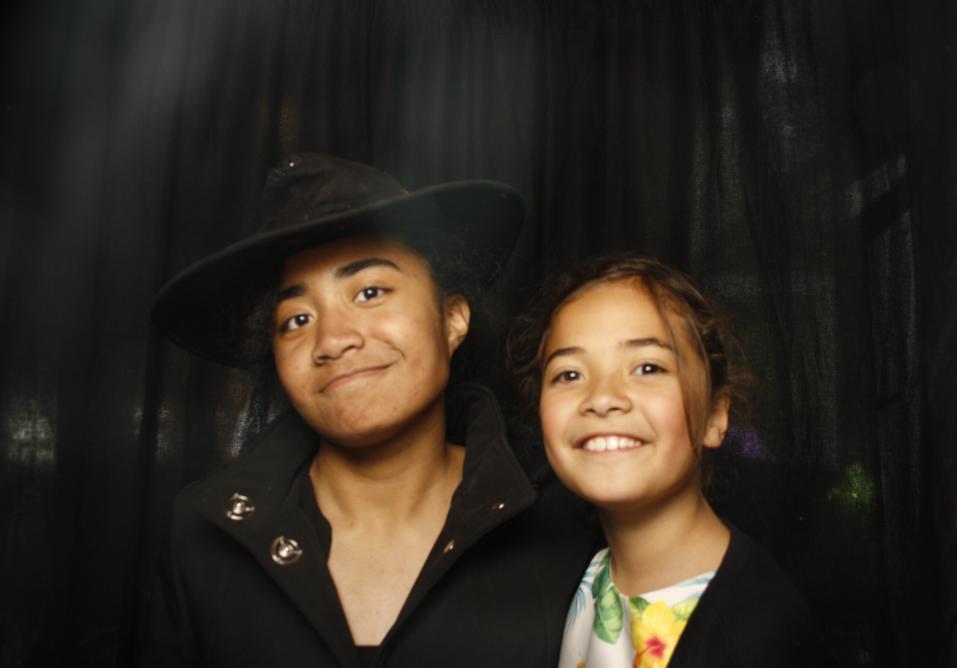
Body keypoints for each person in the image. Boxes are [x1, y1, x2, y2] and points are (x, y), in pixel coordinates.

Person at [145, 153, 598, 666]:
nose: (332, 340)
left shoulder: (564, 518)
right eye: (296, 320)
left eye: (369, 292)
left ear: (452, 319)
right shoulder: (204, 535)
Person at [510, 255, 827, 667]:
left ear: (715, 416)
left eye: (647, 368)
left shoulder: (759, 633)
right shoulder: (561, 582)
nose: (602, 398)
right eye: (569, 375)